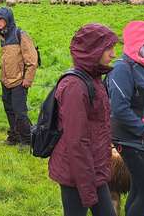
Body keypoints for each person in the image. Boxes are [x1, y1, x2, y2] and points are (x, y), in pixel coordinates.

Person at [49, 23, 118, 216]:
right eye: (109, 48)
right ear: (93, 50)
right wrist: (87, 190)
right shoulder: (75, 86)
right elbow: (76, 142)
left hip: (93, 169)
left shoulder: (93, 79)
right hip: (76, 174)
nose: (113, 54)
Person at [106, 21, 144, 216]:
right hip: (133, 141)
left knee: (139, 190)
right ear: (138, 44)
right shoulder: (123, 69)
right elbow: (119, 108)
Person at [0, 7, 38, 147]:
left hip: (19, 82)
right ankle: (14, 136)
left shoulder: (20, 35)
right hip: (5, 81)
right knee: (9, 110)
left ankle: (27, 140)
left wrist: (27, 80)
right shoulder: (3, 36)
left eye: (0, 19)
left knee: (20, 112)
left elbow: (32, 60)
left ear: (8, 19)